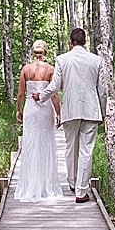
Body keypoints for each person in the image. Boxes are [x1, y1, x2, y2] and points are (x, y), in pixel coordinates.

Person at [34, 27, 106, 203]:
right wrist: (102, 113)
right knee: (86, 151)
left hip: (70, 110)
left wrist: (41, 96)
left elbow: (55, 86)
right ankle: (81, 191)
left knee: (70, 148)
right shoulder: (97, 60)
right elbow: (103, 91)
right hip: (91, 111)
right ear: (85, 41)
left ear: (70, 42)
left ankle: (73, 182)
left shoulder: (62, 59)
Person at [14, 40, 63, 202]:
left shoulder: (26, 69)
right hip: (45, 108)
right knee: (45, 143)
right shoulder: (50, 69)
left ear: (32, 52)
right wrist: (58, 113)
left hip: (31, 109)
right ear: (46, 52)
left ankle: (30, 184)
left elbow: (21, 93)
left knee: (31, 142)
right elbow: (54, 93)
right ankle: (44, 184)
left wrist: (18, 109)